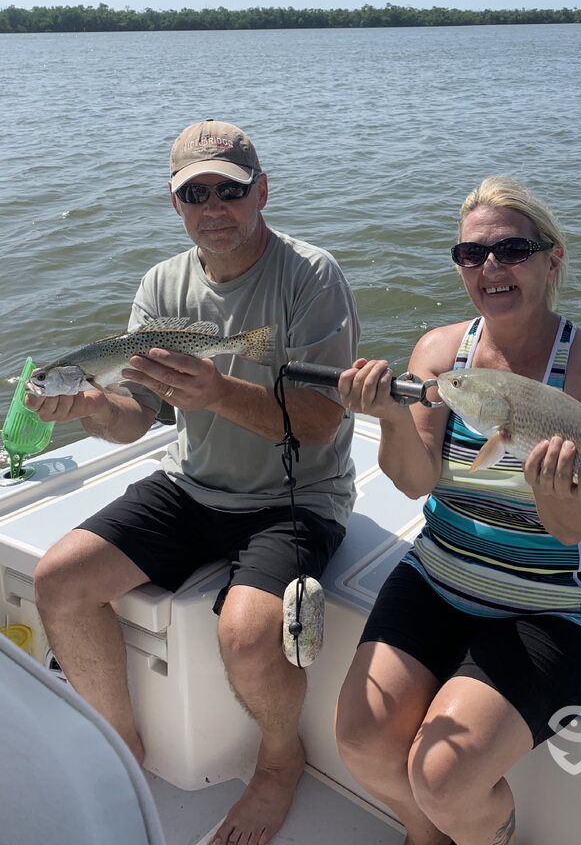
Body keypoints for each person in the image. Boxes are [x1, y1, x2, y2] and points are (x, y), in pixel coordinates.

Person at [27, 119, 359, 845]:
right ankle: (122, 749)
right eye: (195, 194)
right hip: (191, 484)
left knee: (247, 634)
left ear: (262, 192)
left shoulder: (312, 276)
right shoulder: (160, 285)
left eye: (230, 191)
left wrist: (217, 394)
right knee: (59, 579)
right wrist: (90, 407)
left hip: (295, 496)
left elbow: (321, 422)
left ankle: (281, 760)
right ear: (174, 203)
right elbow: (134, 420)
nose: (214, 208)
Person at [335, 176, 581, 845]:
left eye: (512, 249)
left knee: (445, 776)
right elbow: (414, 482)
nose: (491, 267)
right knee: (359, 739)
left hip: (551, 605)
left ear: (552, 260)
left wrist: (556, 496)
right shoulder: (443, 356)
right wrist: (389, 417)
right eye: (472, 254)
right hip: (439, 576)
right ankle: (427, 835)